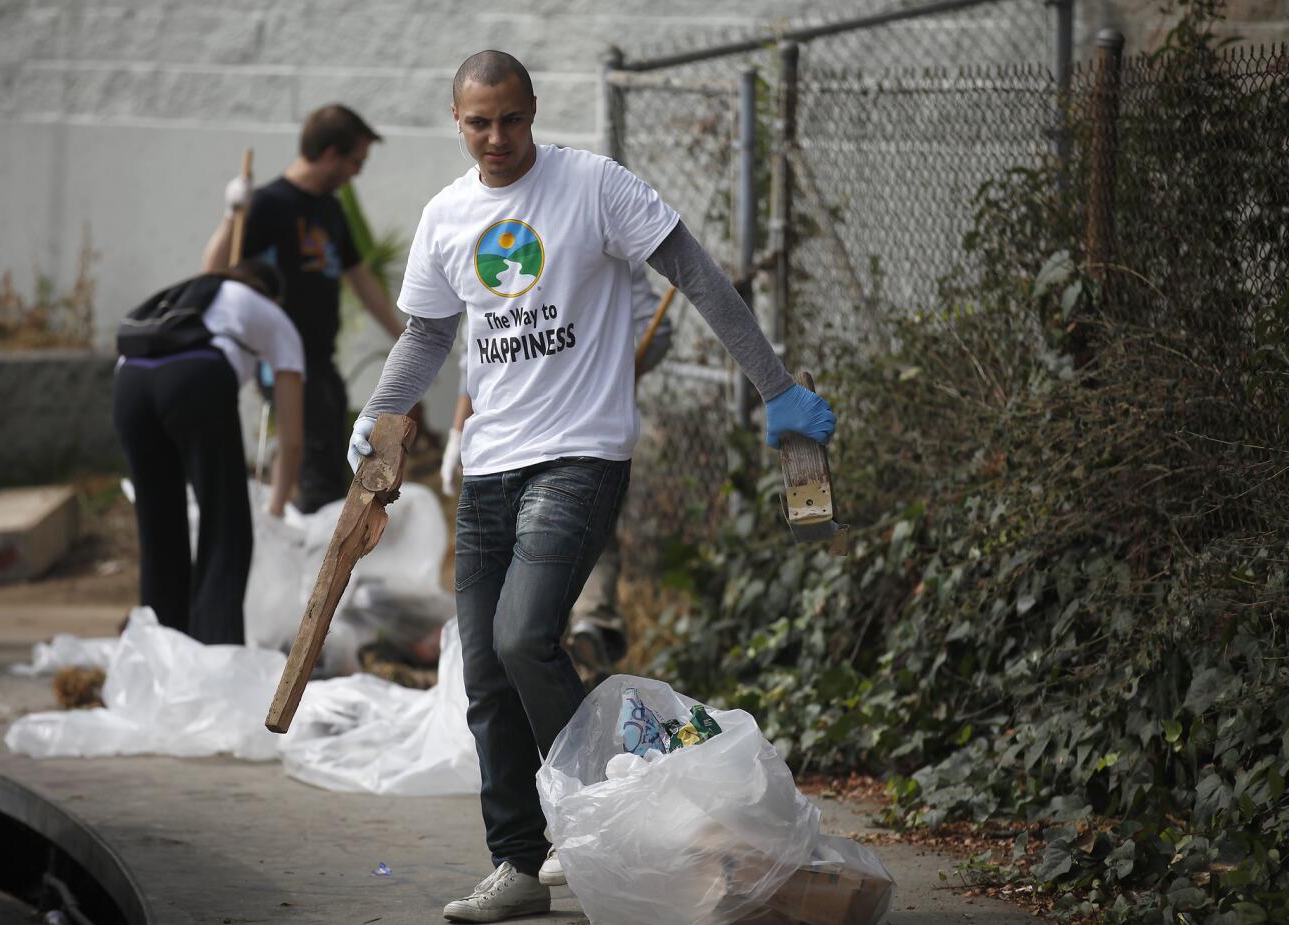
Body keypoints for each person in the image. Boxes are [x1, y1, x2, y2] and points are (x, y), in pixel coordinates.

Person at [350, 51, 836, 923]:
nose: (497, 138)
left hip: (580, 454)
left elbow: (696, 275)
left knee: (524, 635)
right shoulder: (447, 215)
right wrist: (383, 411)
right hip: (490, 463)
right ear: (456, 122)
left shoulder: (595, 187)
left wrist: (777, 389)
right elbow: (427, 333)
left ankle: (608, 818)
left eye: (511, 119)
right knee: (485, 674)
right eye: (478, 123)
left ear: (533, 112)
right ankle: (517, 865)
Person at [440, 264, 674, 688]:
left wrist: (608, 370)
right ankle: (575, 632)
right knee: (557, 559)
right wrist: (458, 430)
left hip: (579, 437)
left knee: (568, 543)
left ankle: (585, 632)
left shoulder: (597, 230)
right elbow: (475, 352)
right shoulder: (476, 241)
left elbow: (653, 331)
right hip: (512, 447)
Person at [203, 103, 404, 514]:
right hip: (280, 360)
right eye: (356, 162)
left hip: (321, 361)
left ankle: (313, 544)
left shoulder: (330, 209)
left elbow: (359, 275)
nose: (356, 173)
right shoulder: (269, 205)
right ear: (331, 154)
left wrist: (406, 337)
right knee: (318, 468)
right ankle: (313, 556)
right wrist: (231, 214)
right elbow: (213, 271)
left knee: (331, 453)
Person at [113, 260, 305, 646]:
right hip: (195, 377)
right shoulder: (273, 314)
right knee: (225, 528)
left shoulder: (191, 295)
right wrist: (277, 507)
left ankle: (161, 651)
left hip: (128, 384)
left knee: (159, 527)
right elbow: (292, 437)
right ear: (273, 296)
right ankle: (213, 655)